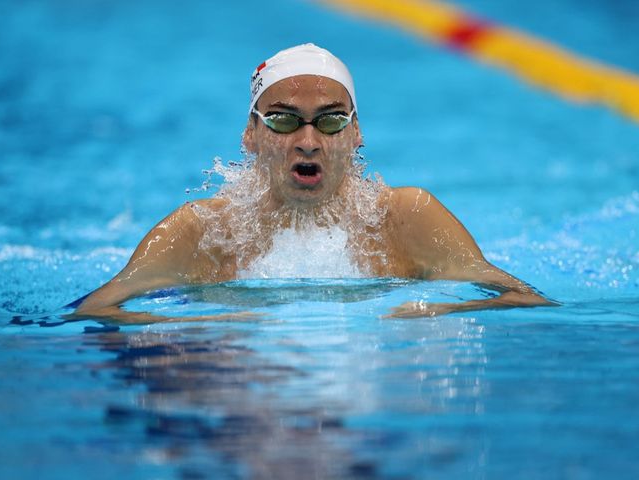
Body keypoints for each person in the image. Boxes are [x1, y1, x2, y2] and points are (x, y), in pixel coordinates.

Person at [73, 43, 553, 323]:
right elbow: (94, 311)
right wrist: (208, 325)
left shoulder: (407, 218)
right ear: (251, 134)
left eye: (330, 121)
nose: (308, 141)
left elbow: (526, 297)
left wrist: (433, 312)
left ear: (356, 133)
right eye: (283, 121)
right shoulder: (201, 231)